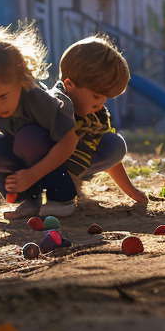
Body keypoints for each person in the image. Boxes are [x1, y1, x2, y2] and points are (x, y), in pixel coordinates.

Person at [0, 23, 78, 221]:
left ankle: (61, 198)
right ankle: (28, 199)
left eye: (3, 96)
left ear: (23, 77)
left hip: (53, 151)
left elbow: (69, 141)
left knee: (28, 138)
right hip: (20, 150)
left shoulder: (37, 99)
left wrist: (32, 174)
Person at [57, 34, 148, 207]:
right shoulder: (52, 108)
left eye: (106, 98)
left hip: (74, 167)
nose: (101, 103)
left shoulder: (96, 117)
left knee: (114, 144)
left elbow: (113, 161)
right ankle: (48, 193)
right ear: (69, 85)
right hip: (42, 170)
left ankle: (70, 184)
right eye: (96, 96)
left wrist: (132, 192)